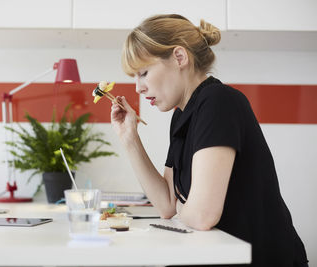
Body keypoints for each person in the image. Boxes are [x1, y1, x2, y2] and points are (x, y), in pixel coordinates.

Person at [110, 14, 308, 267]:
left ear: (180, 57)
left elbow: (203, 215)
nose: (138, 87)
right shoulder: (183, 114)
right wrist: (130, 139)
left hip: (260, 259)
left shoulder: (217, 102)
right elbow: (168, 205)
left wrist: (187, 208)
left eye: (144, 73)